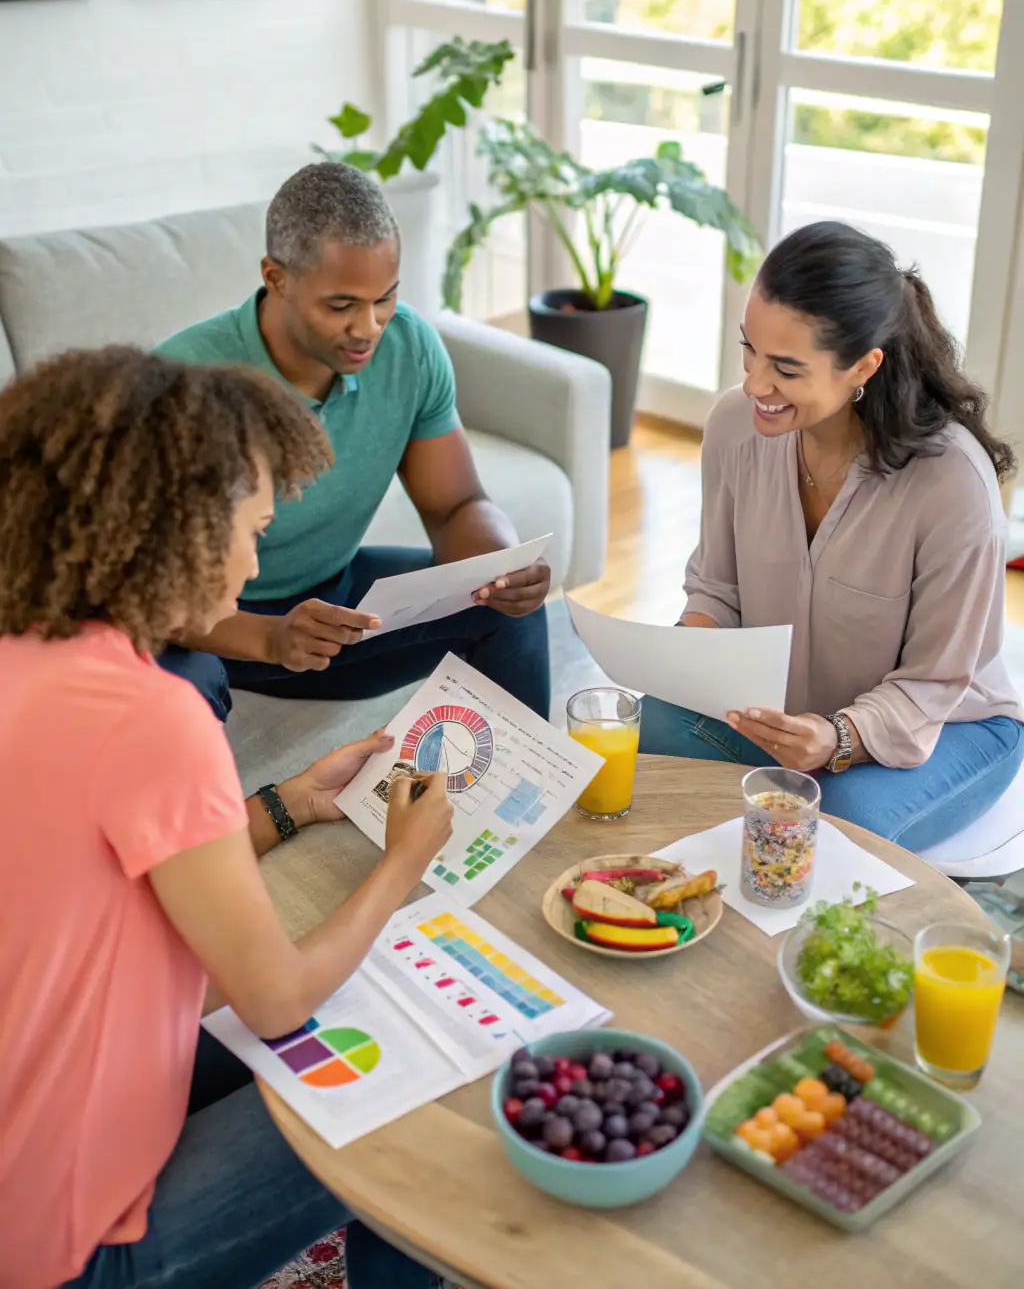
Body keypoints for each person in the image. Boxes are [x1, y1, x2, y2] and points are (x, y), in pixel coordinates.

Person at [0, 346, 456, 1289]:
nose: (255, 564)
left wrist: (290, 801)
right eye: (252, 532)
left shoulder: (27, 653)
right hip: (71, 1252)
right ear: (173, 534)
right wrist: (403, 861)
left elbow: (123, 867)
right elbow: (276, 997)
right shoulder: (153, 717)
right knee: (405, 1071)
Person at [639, 221, 1024, 852]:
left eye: (786, 369)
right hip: (790, 717)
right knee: (648, 725)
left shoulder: (952, 484)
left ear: (863, 367)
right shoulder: (735, 425)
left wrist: (837, 738)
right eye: (750, 349)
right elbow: (717, 589)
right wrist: (691, 658)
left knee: (831, 822)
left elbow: (933, 681)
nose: (755, 384)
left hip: (948, 724)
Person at [155, 161, 550, 723]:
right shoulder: (182, 382)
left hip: (330, 605)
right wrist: (270, 637)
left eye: (384, 298)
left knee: (507, 612)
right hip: (207, 629)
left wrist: (501, 567)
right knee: (179, 689)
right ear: (276, 278)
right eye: (341, 306)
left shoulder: (409, 348)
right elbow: (143, 589)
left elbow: (456, 504)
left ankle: (528, 779)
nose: (369, 327)